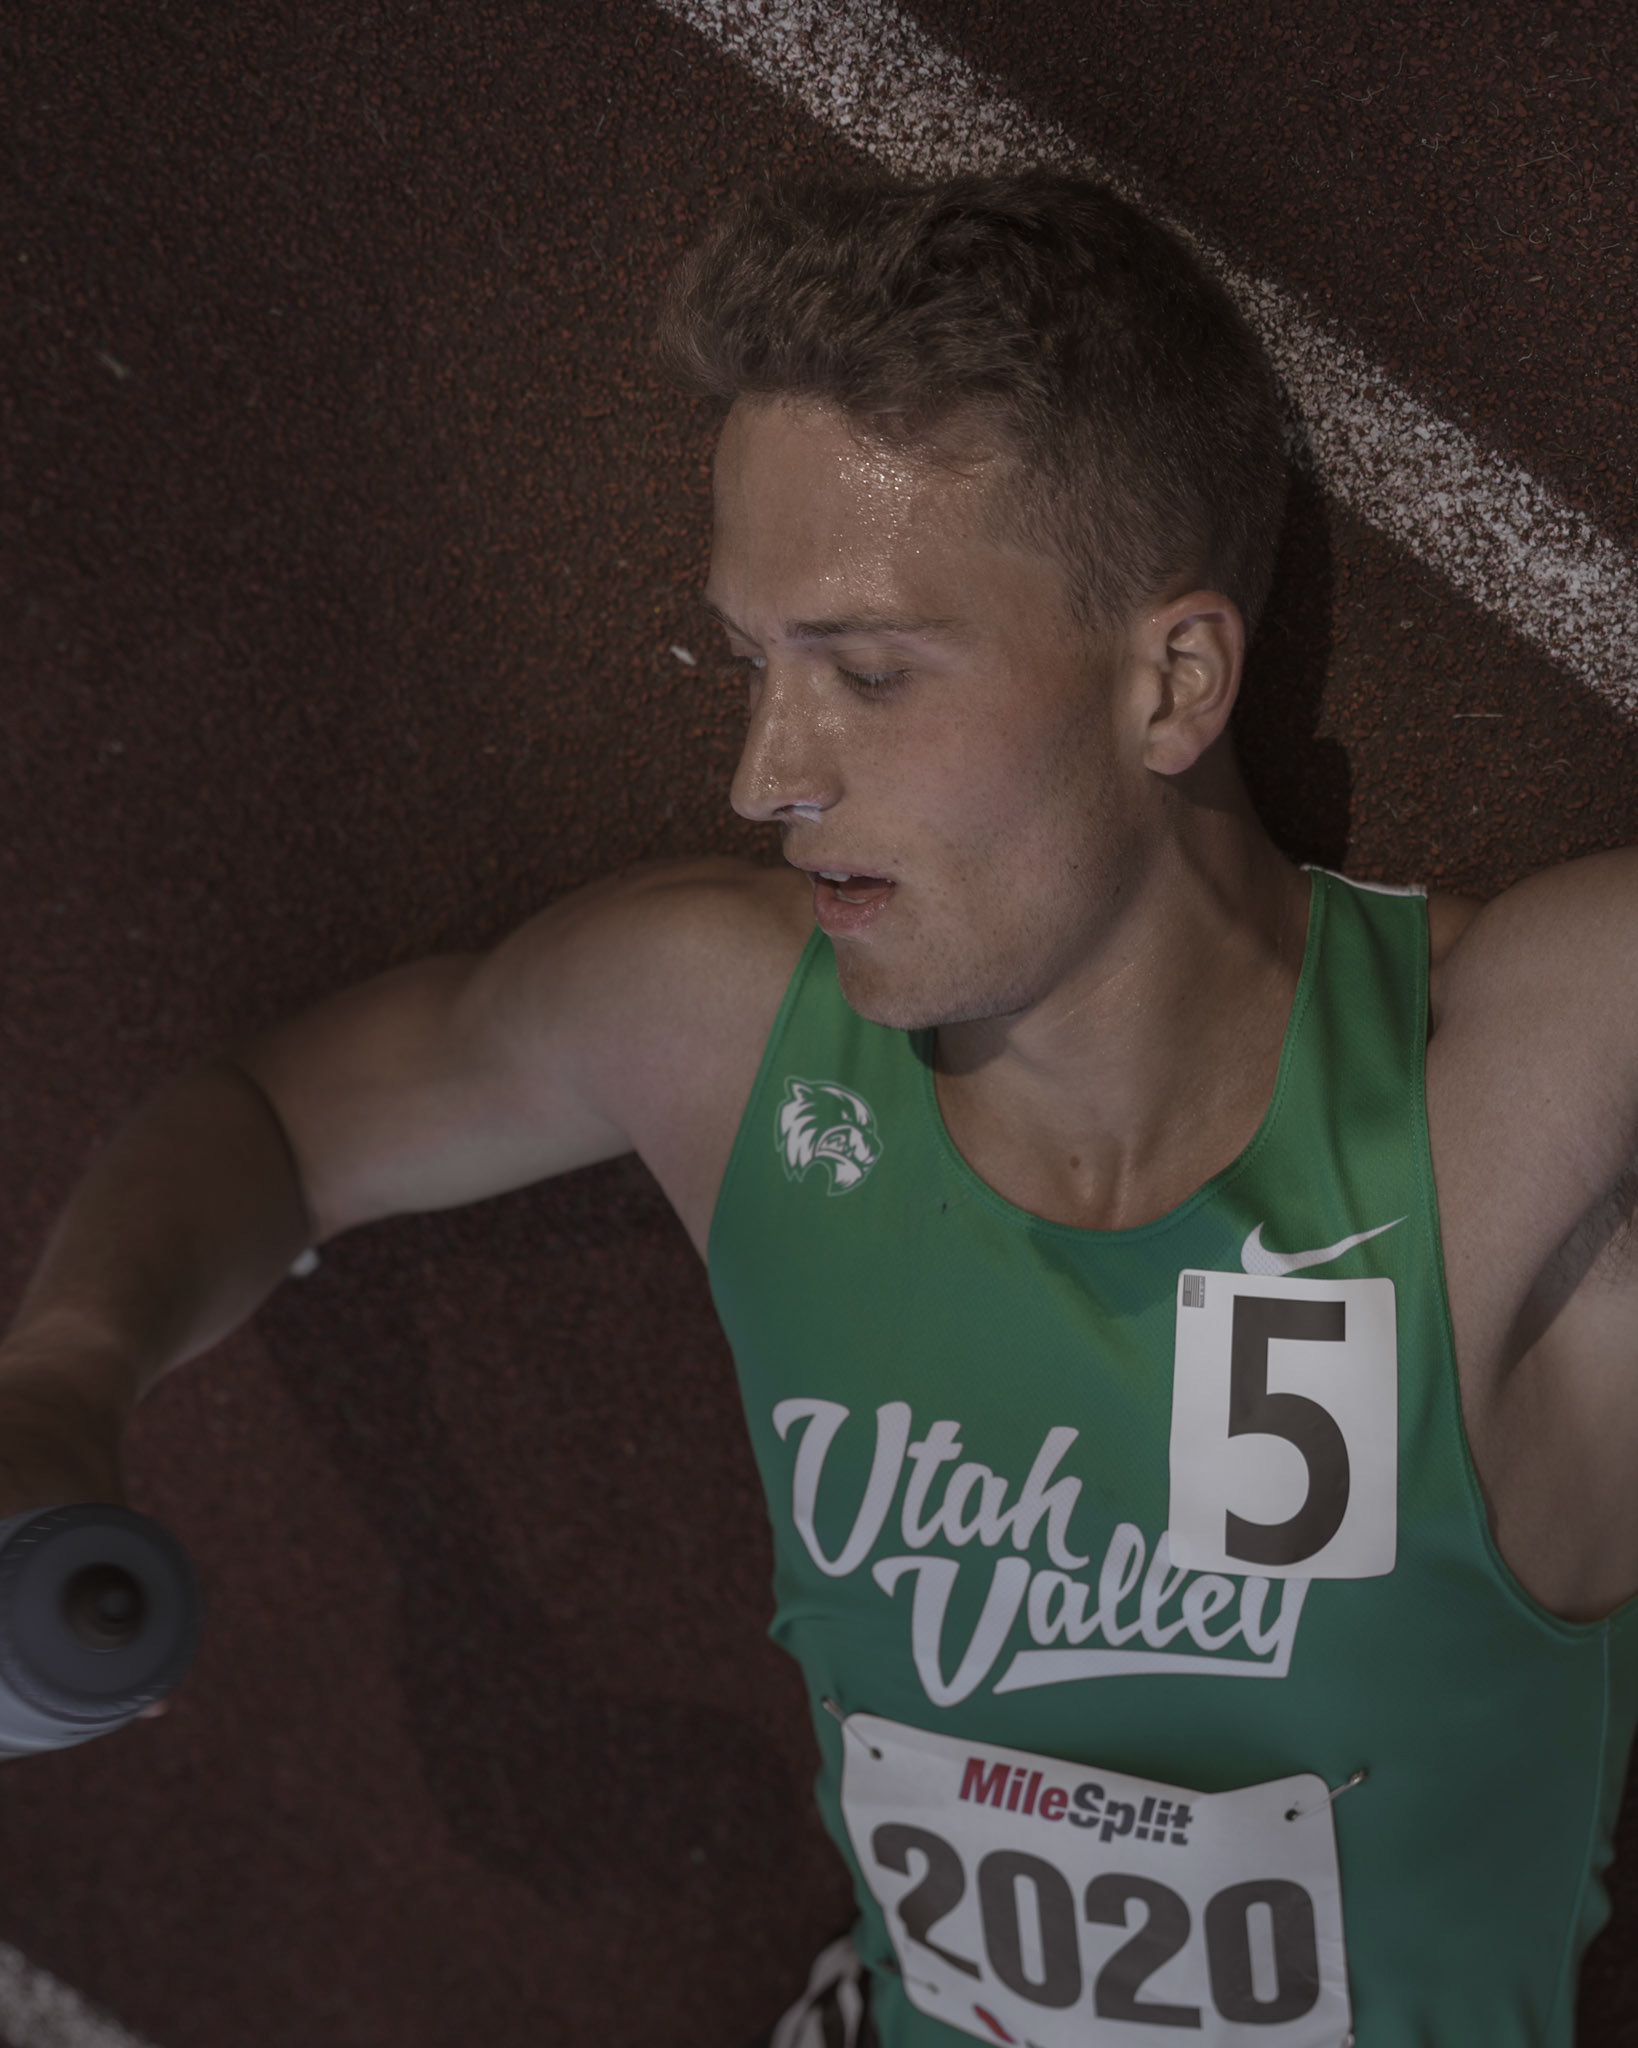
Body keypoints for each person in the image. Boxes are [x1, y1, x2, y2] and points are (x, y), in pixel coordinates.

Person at [2, 167, 1635, 2047]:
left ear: (1171, 679)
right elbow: (278, 1127)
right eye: (751, 661)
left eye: (865, 672)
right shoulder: (722, 1031)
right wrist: (62, 1373)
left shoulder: (1507, 1087)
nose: (764, 772)